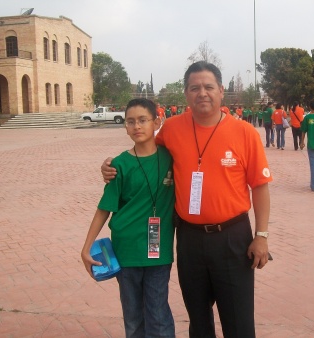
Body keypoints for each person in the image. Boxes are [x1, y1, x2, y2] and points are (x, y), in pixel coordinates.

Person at [101, 61, 272, 338]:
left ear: (221, 90)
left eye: (208, 87)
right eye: (195, 88)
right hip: (189, 239)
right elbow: (142, 154)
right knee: (198, 319)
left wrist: (261, 235)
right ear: (186, 93)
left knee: (238, 321)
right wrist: (112, 165)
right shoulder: (171, 129)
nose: (202, 93)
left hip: (233, 238)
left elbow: (260, 187)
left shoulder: (244, 133)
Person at [81, 98, 176, 338]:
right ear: (125, 126)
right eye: (130, 121)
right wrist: (86, 247)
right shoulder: (120, 165)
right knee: (133, 317)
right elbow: (105, 207)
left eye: (143, 120)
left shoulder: (172, 159)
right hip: (126, 252)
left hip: (158, 252)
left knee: (158, 314)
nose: (137, 126)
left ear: (156, 121)